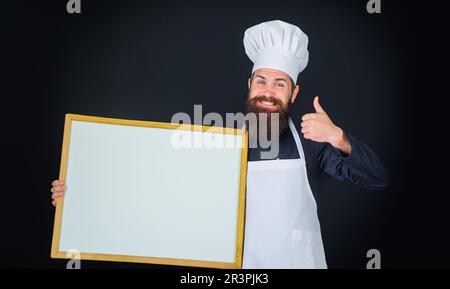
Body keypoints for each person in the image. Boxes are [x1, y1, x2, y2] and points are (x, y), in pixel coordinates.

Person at [50, 20, 388, 269]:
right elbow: (151, 190)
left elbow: (376, 178)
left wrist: (338, 137)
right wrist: (78, 198)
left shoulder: (313, 144)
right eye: (262, 81)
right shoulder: (219, 140)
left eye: (280, 84)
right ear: (250, 84)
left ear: (293, 92)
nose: (268, 92)